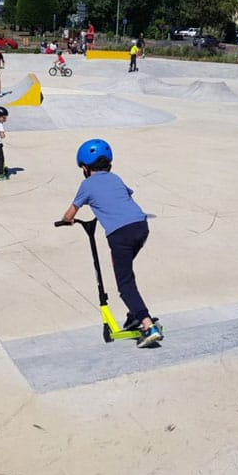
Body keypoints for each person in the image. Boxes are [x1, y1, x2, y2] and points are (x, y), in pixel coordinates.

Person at [60, 139, 163, 348]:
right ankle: (134, 313)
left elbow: (70, 213)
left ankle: (147, 325)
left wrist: (66, 220)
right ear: (109, 164)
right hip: (140, 227)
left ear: (85, 168)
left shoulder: (87, 184)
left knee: (124, 284)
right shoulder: (115, 178)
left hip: (120, 235)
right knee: (125, 272)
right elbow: (125, 196)